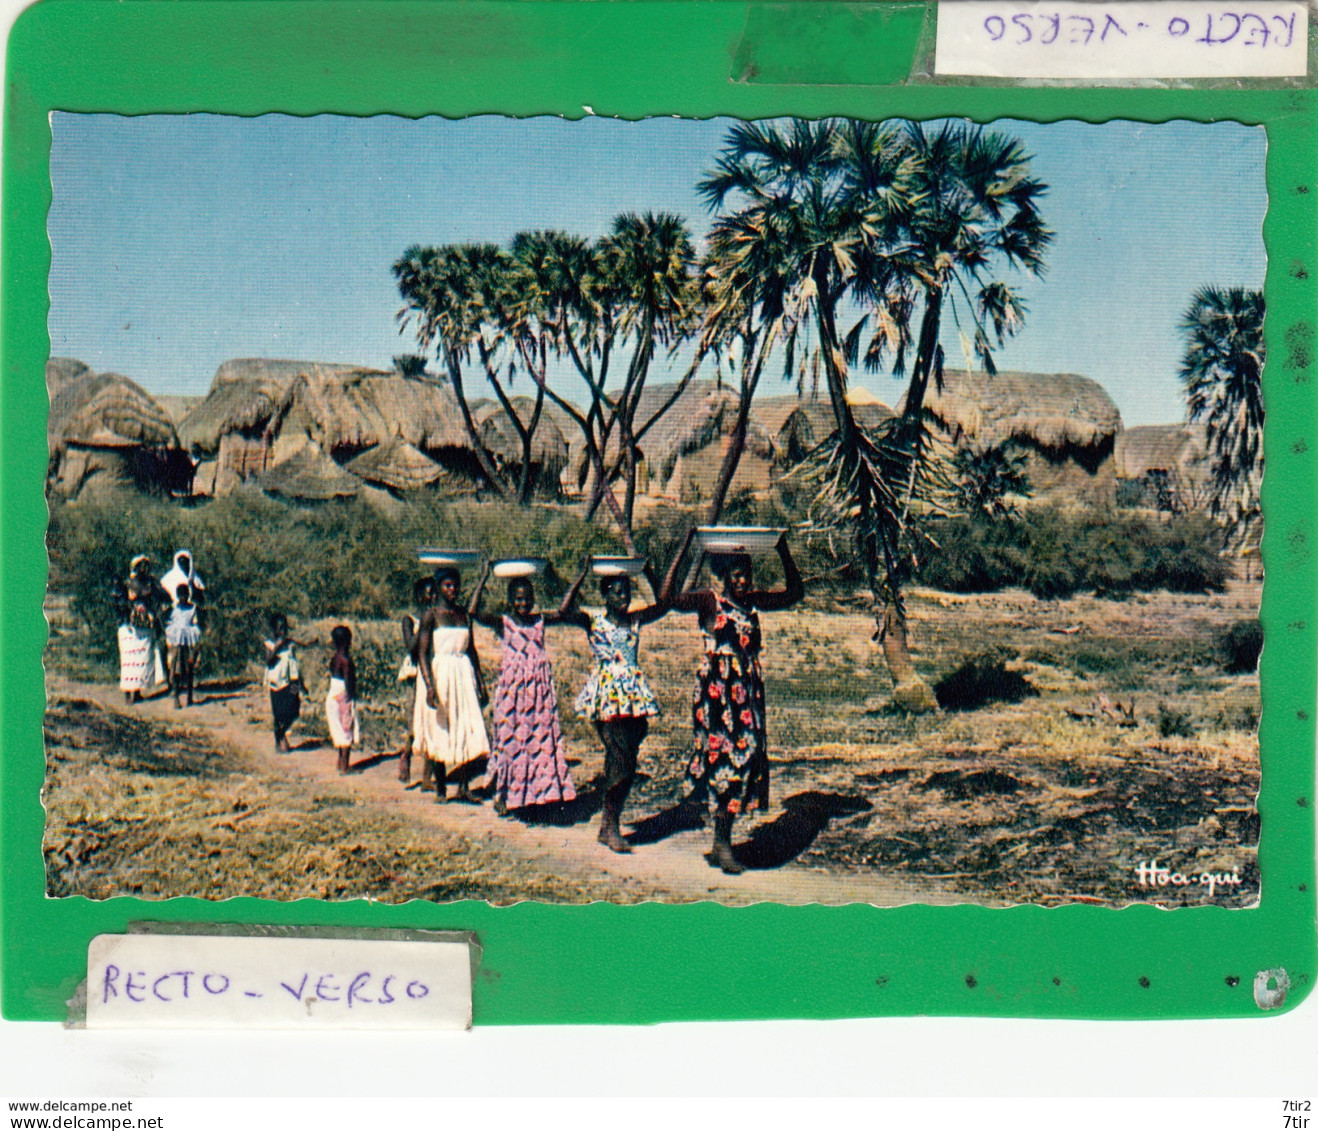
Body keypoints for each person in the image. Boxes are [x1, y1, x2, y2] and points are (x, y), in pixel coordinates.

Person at [660, 528, 804, 874]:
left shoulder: (752, 603)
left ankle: (720, 842)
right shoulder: (710, 601)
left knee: (747, 759)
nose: (742, 580)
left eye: (746, 574)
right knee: (726, 761)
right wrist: (684, 546)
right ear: (724, 576)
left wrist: (782, 550)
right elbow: (667, 599)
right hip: (717, 696)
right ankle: (722, 845)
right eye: (736, 574)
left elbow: (795, 594)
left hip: (748, 693)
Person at [561, 559, 669, 854]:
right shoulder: (594, 621)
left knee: (625, 761)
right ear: (605, 595)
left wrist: (647, 569)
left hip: (633, 696)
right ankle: (611, 827)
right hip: (607, 695)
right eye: (617, 592)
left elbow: (665, 602)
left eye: (627, 592)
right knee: (620, 759)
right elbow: (564, 611)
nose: (623, 597)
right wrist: (580, 575)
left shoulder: (635, 620)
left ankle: (609, 824)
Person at [469, 564, 577, 815]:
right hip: (512, 697)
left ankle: (536, 795)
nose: (523, 603)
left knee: (538, 743)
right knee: (508, 742)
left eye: (528, 598)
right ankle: (502, 794)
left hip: (539, 697)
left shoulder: (540, 621)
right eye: (518, 598)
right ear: (509, 600)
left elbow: (564, 610)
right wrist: (483, 577)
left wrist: (578, 576)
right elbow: (473, 611)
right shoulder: (504, 623)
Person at [415, 568, 490, 803]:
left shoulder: (463, 615)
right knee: (442, 727)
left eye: (455, 585)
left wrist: (480, 680)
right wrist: (429, 686)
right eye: (447, 585)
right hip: (442, 674)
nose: (452, 589)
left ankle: (464, 787)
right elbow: (423, 653)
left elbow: (472, 650)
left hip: (463, 674)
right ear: (439, 587)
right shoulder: (431, 616)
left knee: (466, 726)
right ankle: (440, 789)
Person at [398, 576, 437, 786]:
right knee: (414, 723)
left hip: (431, 672)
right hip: (415, 675)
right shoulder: (410, 620)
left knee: (431, 721)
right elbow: (411, 647)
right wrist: (424, 624)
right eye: (428, 593)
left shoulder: (437, 617)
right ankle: (406, 755)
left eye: (434, 593)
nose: (431, 597)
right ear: (419, 596)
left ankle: (426, 777)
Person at [119, 555, 168, 703]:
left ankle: (138, 691)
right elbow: (120, 601)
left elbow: (164, 596)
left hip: (146, 624)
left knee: (143, 657)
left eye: (145, 565)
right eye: (140, 565)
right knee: (129, 659)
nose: (143, 568)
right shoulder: (127, 583)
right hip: (129, 626)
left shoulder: (151, 582)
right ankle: (128, 692)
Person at [263, 613, 304, 754]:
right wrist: (277, 648)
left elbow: (296, 662)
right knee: (278, 713)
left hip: (292, 681)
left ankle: (281, 733)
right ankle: (279, 740)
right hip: (277, 683)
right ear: (274, 630)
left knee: (295, 708)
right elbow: (268, 661)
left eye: (284, 628)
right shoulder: (269, 644)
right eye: (279, 628)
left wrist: (301, 683)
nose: (282, 631)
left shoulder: (290, 643)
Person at [326, 625, 359, 775]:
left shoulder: (334, 659)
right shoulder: (346, 660)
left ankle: (340, 762)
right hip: (342, 697)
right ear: (347, 642)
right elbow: (347, 681)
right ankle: (345, 767)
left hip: (332, 695)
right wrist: (352, 694)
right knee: (346, 731)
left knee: (339, 731)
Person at [165, 582, 203, 708]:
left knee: (189, 667)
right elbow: (169, 622)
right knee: (175, 667)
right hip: (176, 640)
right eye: (180, 596)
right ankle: (176, 697)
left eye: (185, 595)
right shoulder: (174, 609)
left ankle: (189, 697)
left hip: (188, 640)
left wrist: (193, 634)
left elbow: (196, 623)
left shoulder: (193, 608)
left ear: (188, 595)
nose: (183, 598)